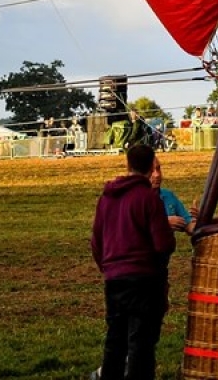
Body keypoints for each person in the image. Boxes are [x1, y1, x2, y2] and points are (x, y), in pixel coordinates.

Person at [90, 144, 176, 380]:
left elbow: (96, 240)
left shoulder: (106, 198)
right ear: (150, 167)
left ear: (128, 164)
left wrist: (107, 268)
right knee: (141, 343)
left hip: (114, 279)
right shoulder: (149, 199)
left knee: (115, 340)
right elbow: (162, 244)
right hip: (144, 280)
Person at [150, 159, 195, 234]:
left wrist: (199, 220)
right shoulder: (134, 199)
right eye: (151, 171)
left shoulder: (168, 195)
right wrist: (163, 222)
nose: (157, 175)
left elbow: (188, 224)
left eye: (158, 169)